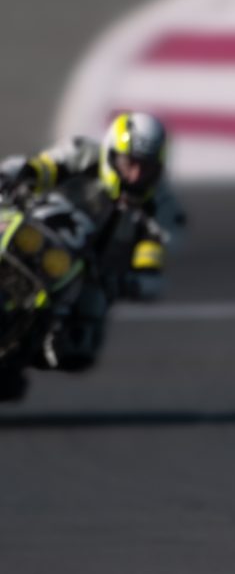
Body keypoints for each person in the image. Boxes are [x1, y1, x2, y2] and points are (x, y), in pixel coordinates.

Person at [1, 112, 183, 399]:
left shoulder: (162, 208)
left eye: (146, 168)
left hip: (87, 271)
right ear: (112, 154)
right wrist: (16, 177)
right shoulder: (82, 153)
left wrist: (125, 282)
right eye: (129, 164)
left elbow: (154, 271)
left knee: (76, 348)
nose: (135, 175)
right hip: (36, 228)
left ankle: (13, 363)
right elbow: (39, 166)